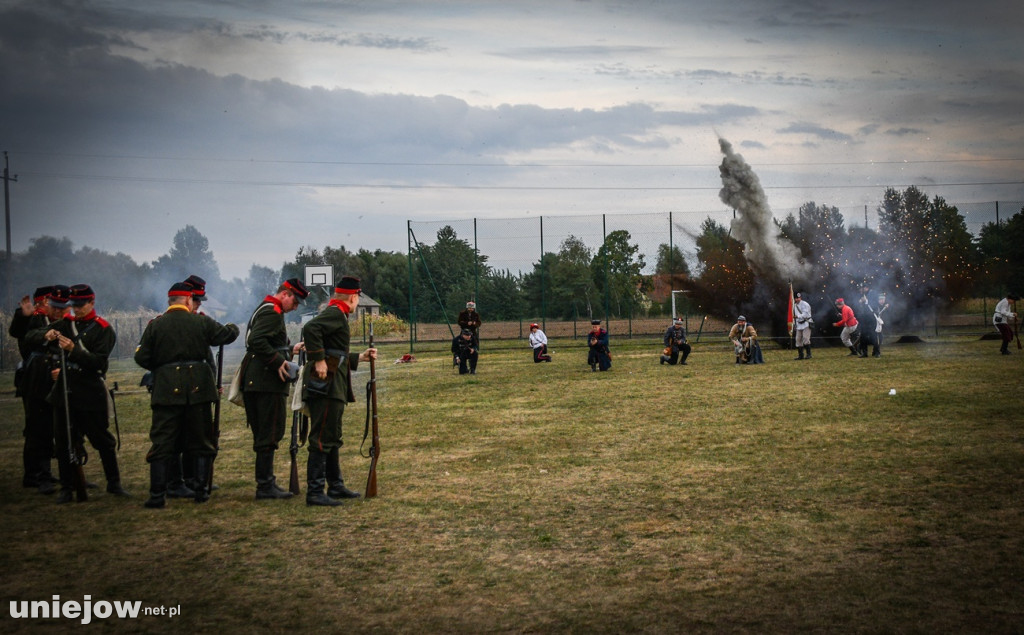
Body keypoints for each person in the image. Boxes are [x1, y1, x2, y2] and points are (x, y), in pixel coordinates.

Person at [134, 282, 239, 508]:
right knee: (200, 439)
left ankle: (157, 495)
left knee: (163, 442)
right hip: (197, 388)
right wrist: (232, 326)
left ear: (170, 301)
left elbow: (142, 358)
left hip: (166, 391)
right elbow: (226, 335)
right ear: (189, 300)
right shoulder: (200, 321)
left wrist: (164, 368)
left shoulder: (156, 325)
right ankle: (201, 491)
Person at [28, 283, 130, 503]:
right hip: (65, 391)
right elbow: (31, 336)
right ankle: (67, 487)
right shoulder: (66, 324)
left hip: (90, 391)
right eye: (74, 305)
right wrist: (49, 334)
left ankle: (114, 483)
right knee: (64, 442)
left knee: (102, 440)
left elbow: (98, 363)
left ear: (92, 302)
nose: (77, 309)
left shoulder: (102, 329)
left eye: (81, 305)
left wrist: (74, 351)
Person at [300, 276, 377, 507]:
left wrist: (358, 358)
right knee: (322, 437)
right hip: (326, 384)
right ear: (353, 297)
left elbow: (336, 350)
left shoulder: (337, 313)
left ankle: (335, 485)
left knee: (332, 435)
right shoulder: (335, 312)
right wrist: (318, 360)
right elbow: (310, 328)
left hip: (333, 384)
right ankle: (315, 492)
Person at [240, 278, 309, 500]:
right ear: (285, 294)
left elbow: (266, 342)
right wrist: (278, 361)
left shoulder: (266, 308)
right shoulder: (272, 312)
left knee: (268, 432)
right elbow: (256, 341)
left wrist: (289, 350)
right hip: (266, 381)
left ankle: (266, 482)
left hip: (261, 379)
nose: (295, 307)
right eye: (295, 301)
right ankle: (265, 485)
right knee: (269, 431)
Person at [9, 286, 59, 493]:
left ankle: (42, 473)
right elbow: (18, 332)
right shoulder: (33, 319)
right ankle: (34, 475)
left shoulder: (52, 319)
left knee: (46, 427)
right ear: (42, 302)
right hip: (34, 381)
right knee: (36, 428)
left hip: (48, 378)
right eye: (51, 301)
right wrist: (23, 315)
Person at [792, 292, 813, 360]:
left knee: (806, 339)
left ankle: (809, 354)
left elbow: (805, 314)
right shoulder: (794, 305)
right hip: (799, 324)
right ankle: (800, 355)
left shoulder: (805, 304)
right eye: (796, 298)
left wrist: (797, 316)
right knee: (798, 340)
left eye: (798, 298)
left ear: (800, 298)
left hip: (806, 323)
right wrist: (795, 324)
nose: (797, 299)